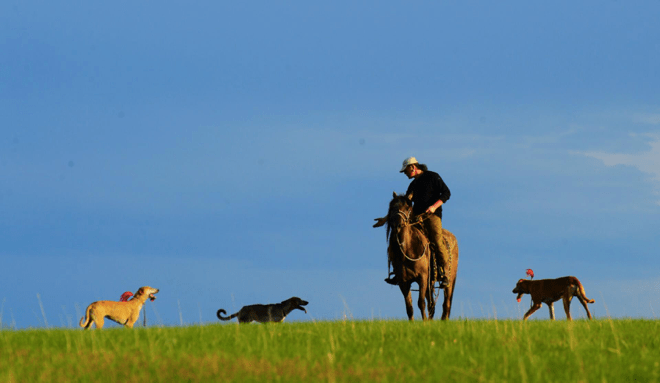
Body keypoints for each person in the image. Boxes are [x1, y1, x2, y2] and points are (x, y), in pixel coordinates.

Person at [385, 156, 451, 288]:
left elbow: (446, 193)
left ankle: (444, 273)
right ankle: (398, 272)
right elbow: (406, 204)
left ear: (413, 167)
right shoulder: (413, 185)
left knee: (437, 241)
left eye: (406, 171)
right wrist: (388, 217)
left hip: (432, 217)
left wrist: (433, 207)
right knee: (398, 238)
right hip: (416, 218)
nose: (405, 174)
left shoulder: (433, 176)